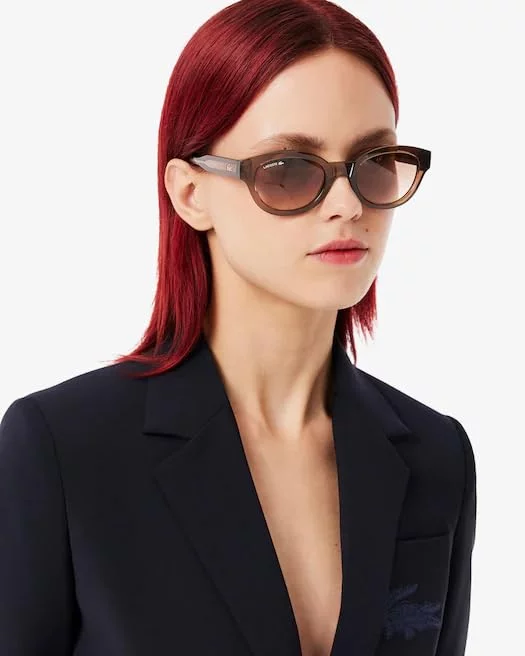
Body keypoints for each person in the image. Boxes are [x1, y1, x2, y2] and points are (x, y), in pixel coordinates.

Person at [0, 0, 476, 654]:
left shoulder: (436, 454)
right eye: (288, 170)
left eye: (373, 162)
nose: (346, 204)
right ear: (190, 193)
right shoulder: (64, 449)